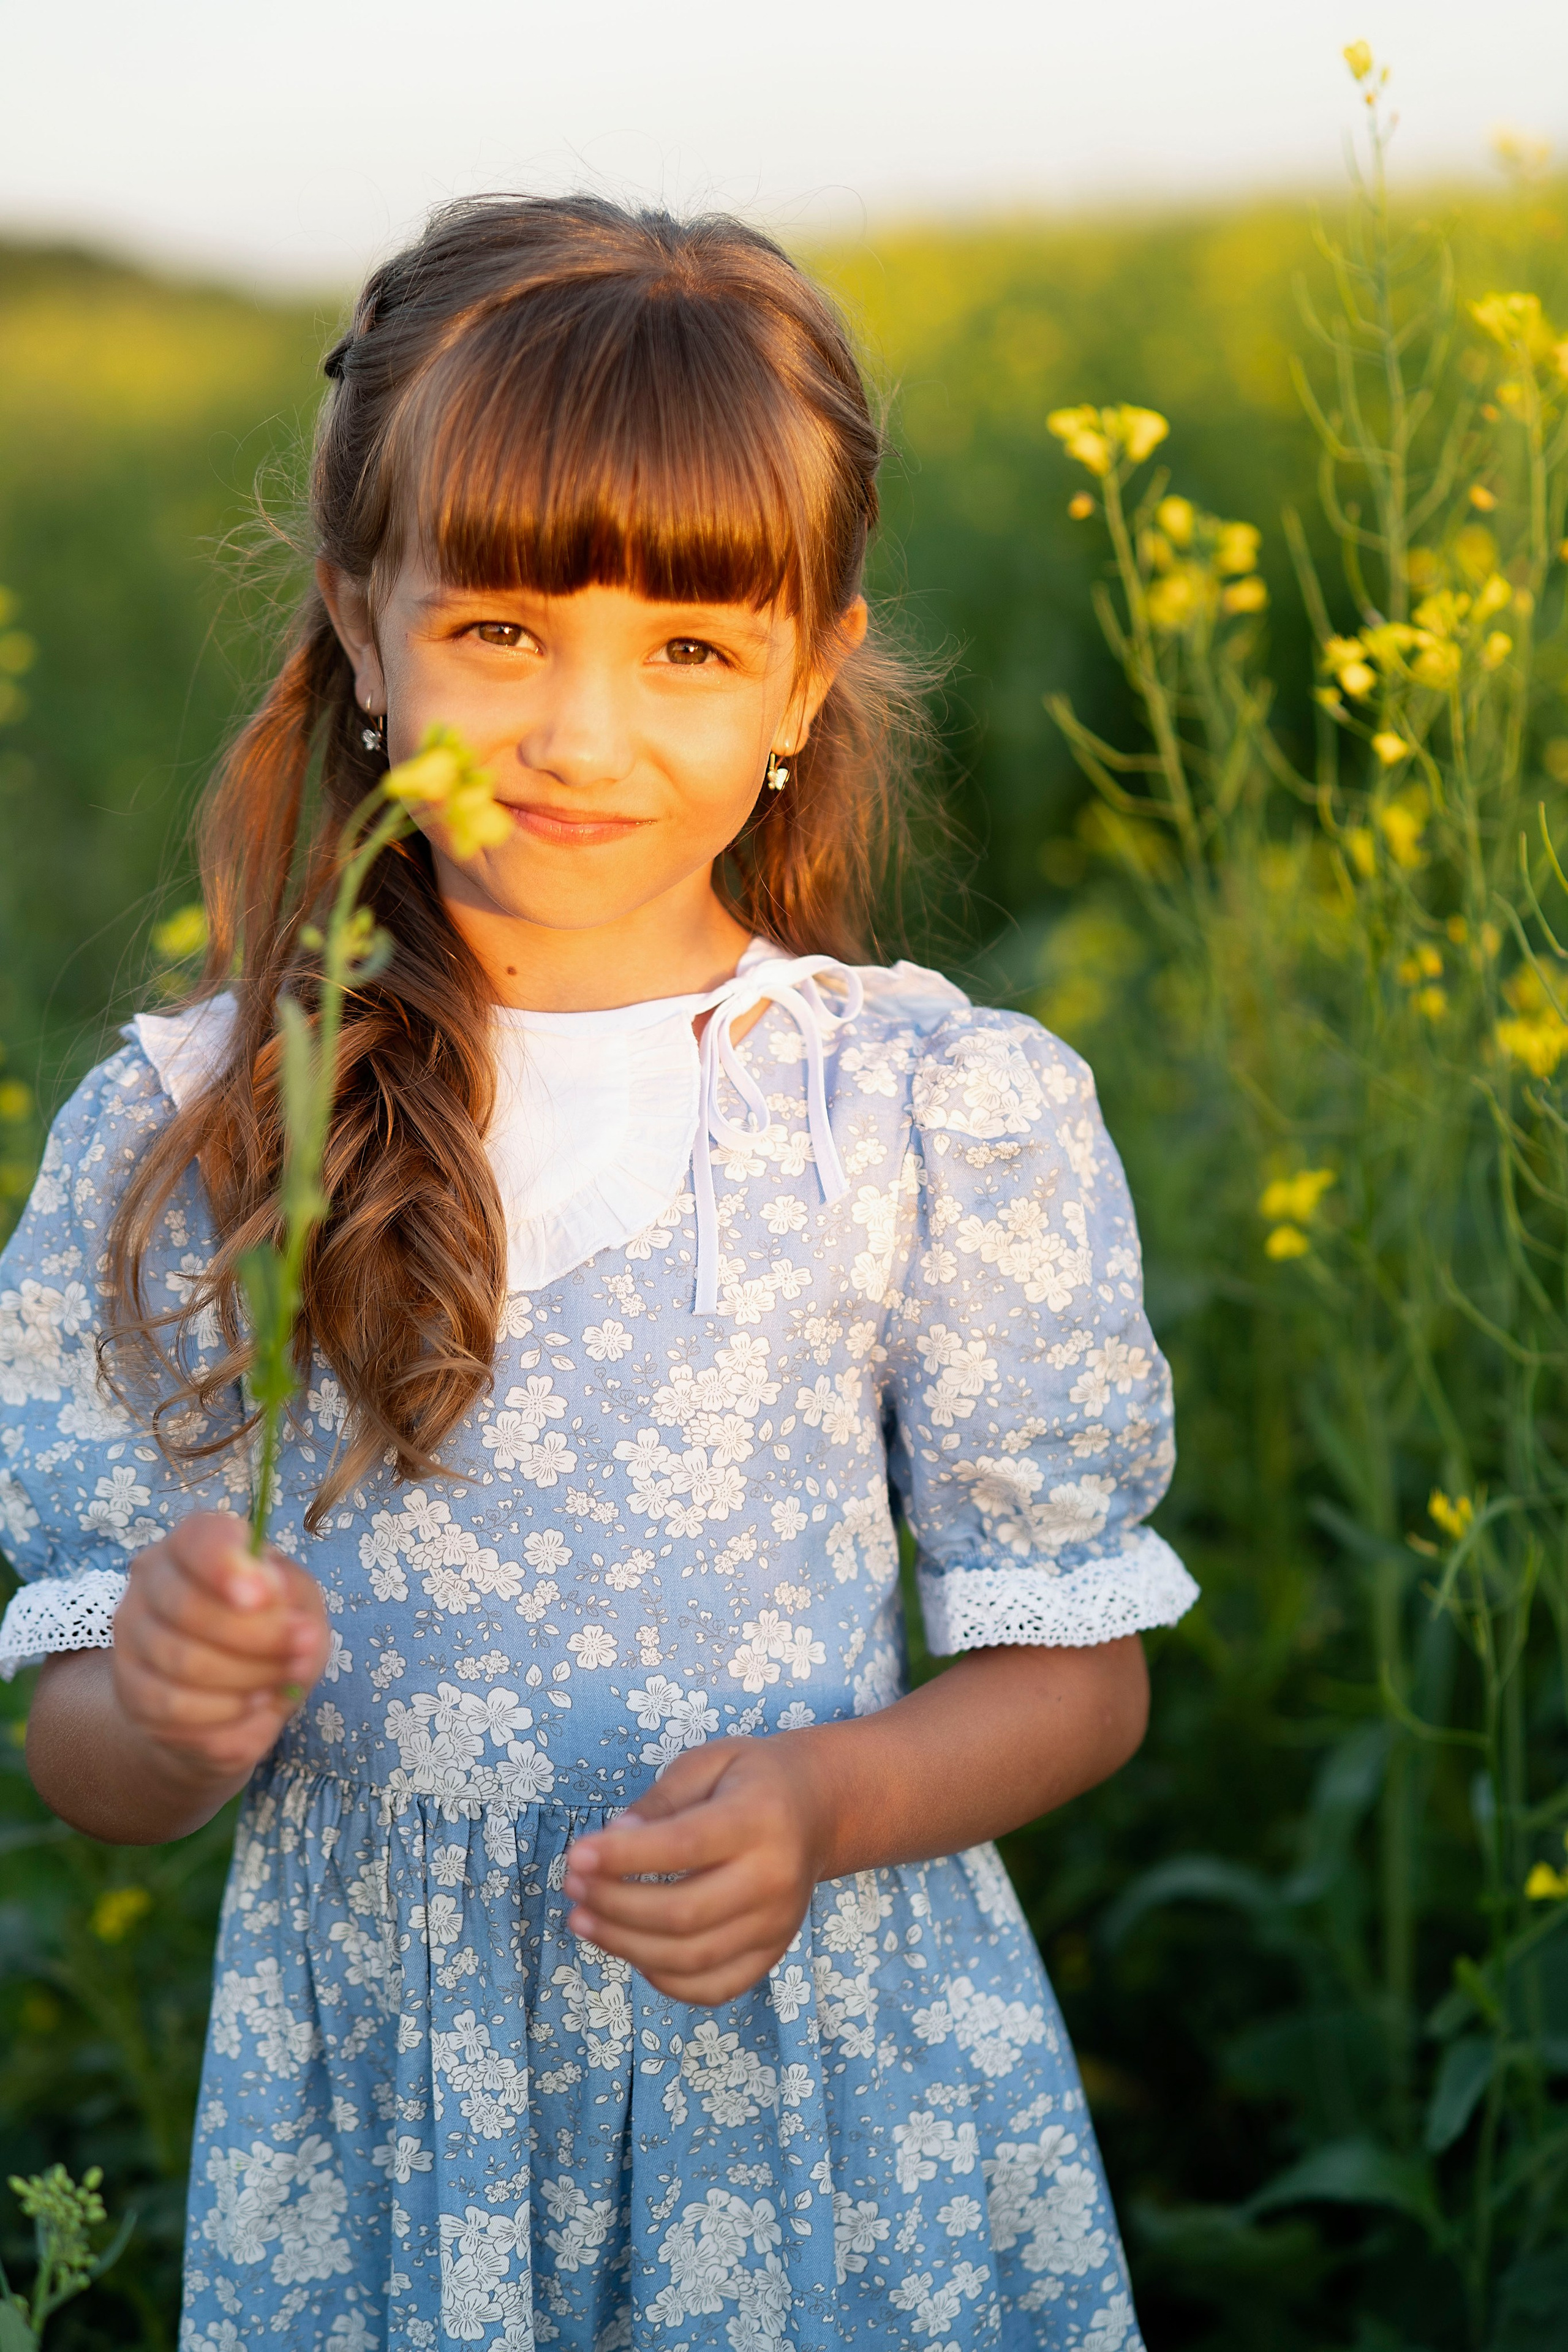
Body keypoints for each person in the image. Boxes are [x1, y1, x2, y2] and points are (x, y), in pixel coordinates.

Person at [1, 196, 1197, 2352]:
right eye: (503, 631)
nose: (579, 735)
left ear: (807, 679)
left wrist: (831, 1807)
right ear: (364, 627)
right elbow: (90, 1760)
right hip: (390, 2123)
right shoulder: (203, 1125)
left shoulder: (922, 1106)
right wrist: (163, 1706)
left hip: (824, 2077)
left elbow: (1078, 1671)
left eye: (690, 652)